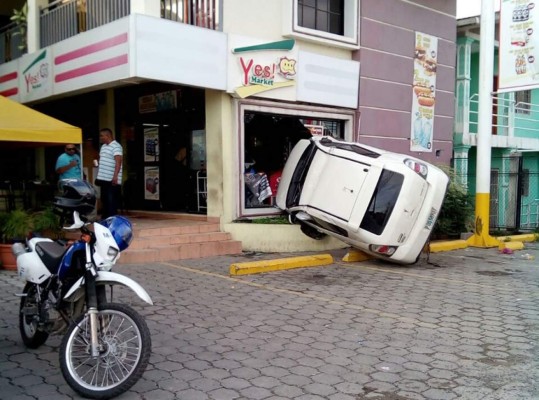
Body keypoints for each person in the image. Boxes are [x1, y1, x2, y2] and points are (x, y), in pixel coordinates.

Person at [95, 128, 123, 219]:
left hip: (111, 180)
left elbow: (118, 162)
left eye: (102, 136)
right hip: (103, 179)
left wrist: (115, 176)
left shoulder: (116, 146)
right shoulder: (103, 147)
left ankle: (112, 221)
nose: (100, 138)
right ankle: (105, 220)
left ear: (108, 135)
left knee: (111, 202)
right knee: (105, 200)